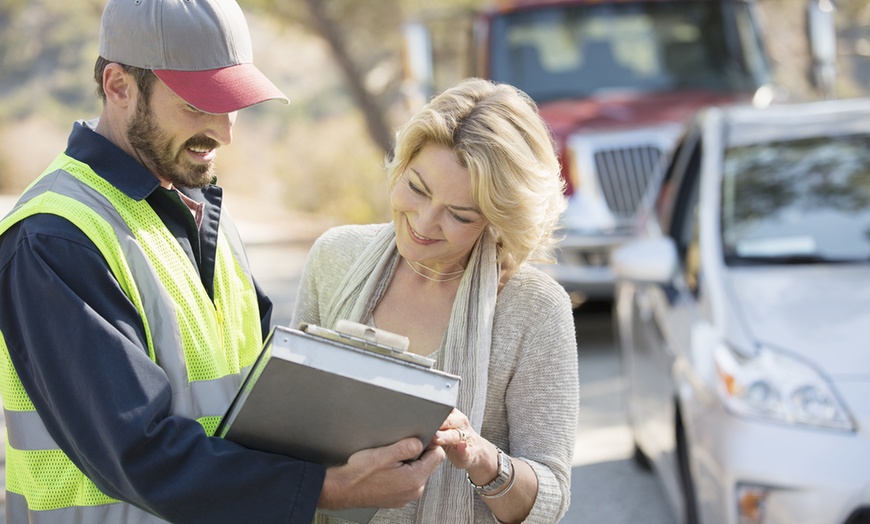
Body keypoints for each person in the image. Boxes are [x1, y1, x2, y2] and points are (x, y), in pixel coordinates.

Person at [0, 0, 445, 522]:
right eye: (197, 106)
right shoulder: (56, 238)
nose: (225, 133)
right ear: (118, 85)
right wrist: (327, 488)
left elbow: (251, 395)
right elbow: (138, 449)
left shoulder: (198, 204)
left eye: (231, 104)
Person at [292, 77, 580, 524]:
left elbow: (548, 500)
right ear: (402, 164)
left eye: (460, 214)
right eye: (418, 188)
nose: (425, 223)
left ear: (497, 220)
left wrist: (482, 457)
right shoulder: (334, 257)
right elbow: (292, 428)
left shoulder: (537, 309)